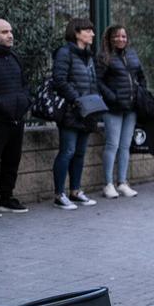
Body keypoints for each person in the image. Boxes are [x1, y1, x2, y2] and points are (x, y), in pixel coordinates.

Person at [51, 18, 100, 210]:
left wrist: (93, 103)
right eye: (88, 31)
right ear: (77, 32)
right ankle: (59, 194)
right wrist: (77, 100)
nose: (92, 34)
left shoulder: (88, 55)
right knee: (68, 152)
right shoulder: (64, 53)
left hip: (87, 111)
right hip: (71, 111)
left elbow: (92, 82)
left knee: (79, 153)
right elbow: (59, 81)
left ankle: (75, 191)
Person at [95, 25, 144, 199]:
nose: (121, 39)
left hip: (131, 107)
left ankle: (122, 183)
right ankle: (108, 184)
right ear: (109, 38)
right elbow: (98, 81)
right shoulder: (103, 57)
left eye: (124, 36)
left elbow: (140, 76)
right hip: (113, 108)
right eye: (117, 36)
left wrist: (140, 93)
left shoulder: (132, 54)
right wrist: (112, 97)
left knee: (125, 146)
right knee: (112, 145)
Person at [0, 18, 28, 215]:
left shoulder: (14, 57)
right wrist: (2, 106)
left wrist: (24, 101)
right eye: (4, 32)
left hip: (16, 120)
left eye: (10, 31)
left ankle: (6, 198)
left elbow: (24, 84)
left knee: (11, 161)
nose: (10, 35)